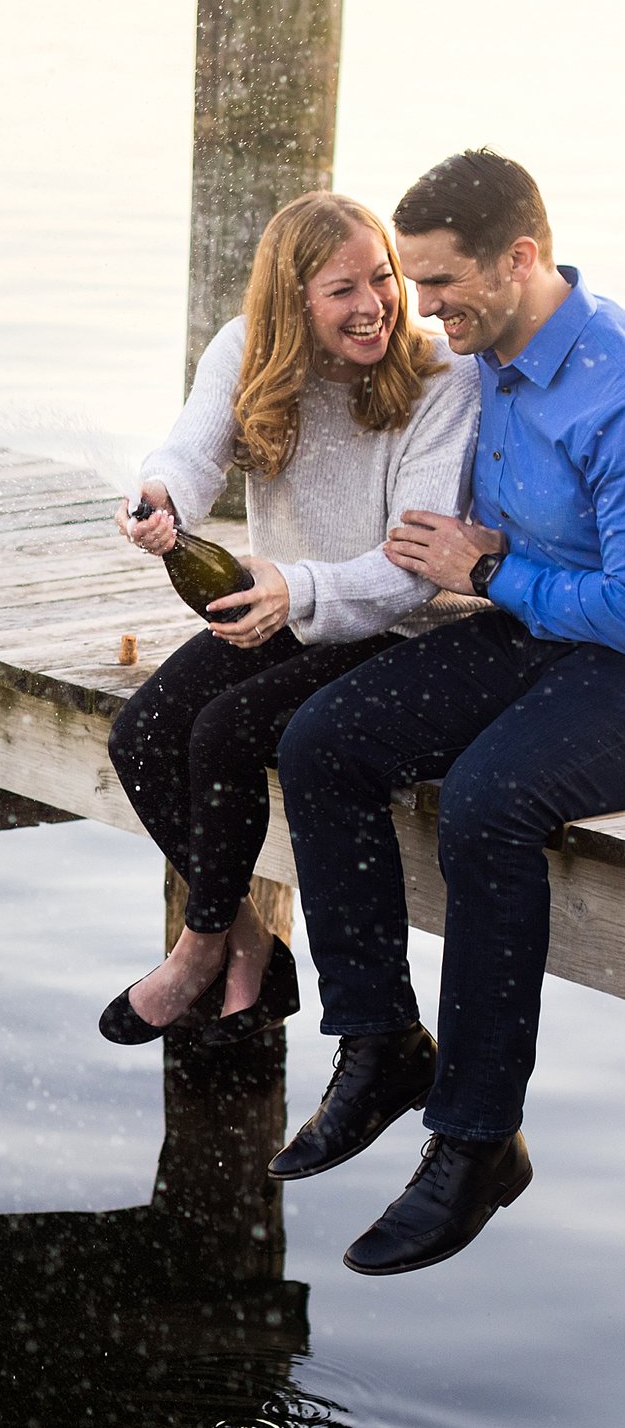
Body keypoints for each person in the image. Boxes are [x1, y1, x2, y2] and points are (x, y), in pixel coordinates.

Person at [271, 151, 625, 1275]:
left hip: (611, 655)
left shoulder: (613, 386)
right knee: (321, 742)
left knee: (487, 801)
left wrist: (490, 571)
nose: (419, 310)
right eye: (412, 285)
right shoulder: (485, 359)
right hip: (529, 629)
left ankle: (476, 1141)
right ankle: (378, 1042)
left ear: (520, 258)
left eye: (437, 285)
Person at [100, 192, 479, 1051]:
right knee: (143, 735)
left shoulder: (440, 379)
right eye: (342, 289)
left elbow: (411, 571)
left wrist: (295, 588)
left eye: (382, 279)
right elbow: (189, 456)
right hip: (291, 605)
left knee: (227, 730)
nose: (373, 305)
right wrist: (157, 500)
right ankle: (246, 940)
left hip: (397, 630)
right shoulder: (246, 350)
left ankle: (198, 950)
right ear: (293, 301)